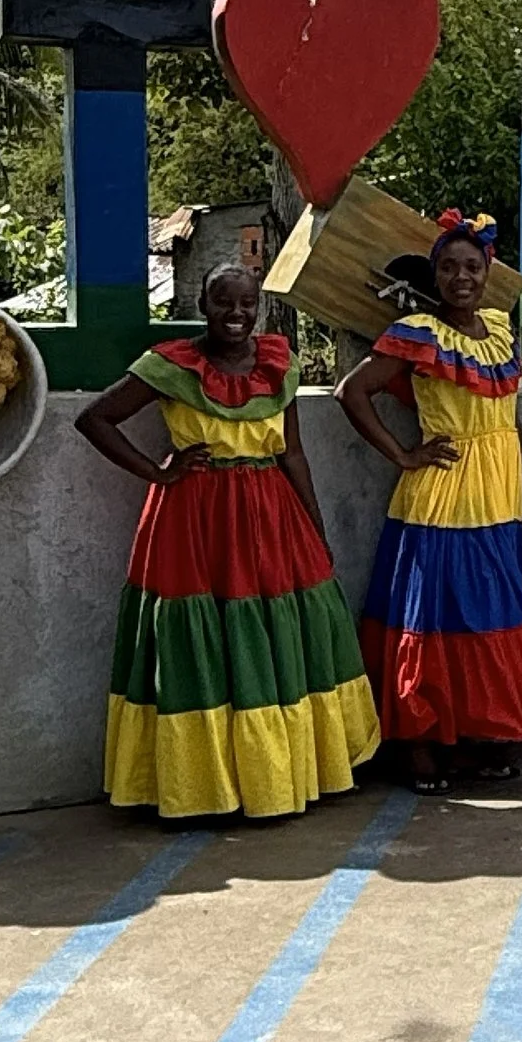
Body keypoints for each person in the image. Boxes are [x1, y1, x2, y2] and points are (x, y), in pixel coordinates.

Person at [78, 262, 379, 819]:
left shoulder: (278, 363)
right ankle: (207, 787)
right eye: (224, 303)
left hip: (272, 515)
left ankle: (277, 775)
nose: (236, 315)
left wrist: (314, 526)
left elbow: (292, 452)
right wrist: (157, 471)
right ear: (202, 302)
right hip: (195, 519)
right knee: (204, 642)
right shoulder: (171, 366)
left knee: (274, 637)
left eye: (247, 304)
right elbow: (95, 419)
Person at [336, 208, 522, 793]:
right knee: (433, 615)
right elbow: (351, 391)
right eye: (450, 267)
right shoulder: (419, 333)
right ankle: (421, 745)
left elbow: (510, 419)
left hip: (499, 491)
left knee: (490, 615)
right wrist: (403, 454)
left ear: (487, 272)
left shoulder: (500, 330)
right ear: (434, 275)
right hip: (444, 492)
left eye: (473, 266)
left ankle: (483, 731)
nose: (463, 276)